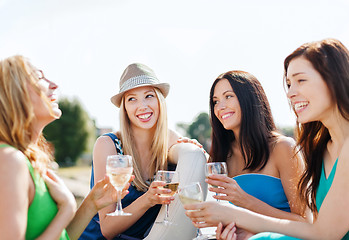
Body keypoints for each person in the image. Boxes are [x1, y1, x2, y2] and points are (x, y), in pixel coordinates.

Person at [185, 38, 349, 240]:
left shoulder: (284, 147)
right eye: (288, 84)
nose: (289, 93)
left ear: (333, 79)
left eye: (301, 81)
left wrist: (241, 210)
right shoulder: (320, 148)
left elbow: (319, 230)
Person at [0, 55, 131, 240]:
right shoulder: (9, 160)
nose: (54, 85)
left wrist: (91, 204)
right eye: (38, 77)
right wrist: (67, 209)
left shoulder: (26, 160)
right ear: (13, 92)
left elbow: (61, 237)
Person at [80, 63, 203, 240]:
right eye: (132, 99)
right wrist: (148, 199)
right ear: (124, 108)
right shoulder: (108, 145)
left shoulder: (170, 139)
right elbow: (107, 228)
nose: (142, 106)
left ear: (159, 100)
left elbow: (200, 167)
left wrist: (195, 150)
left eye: (149, 96)